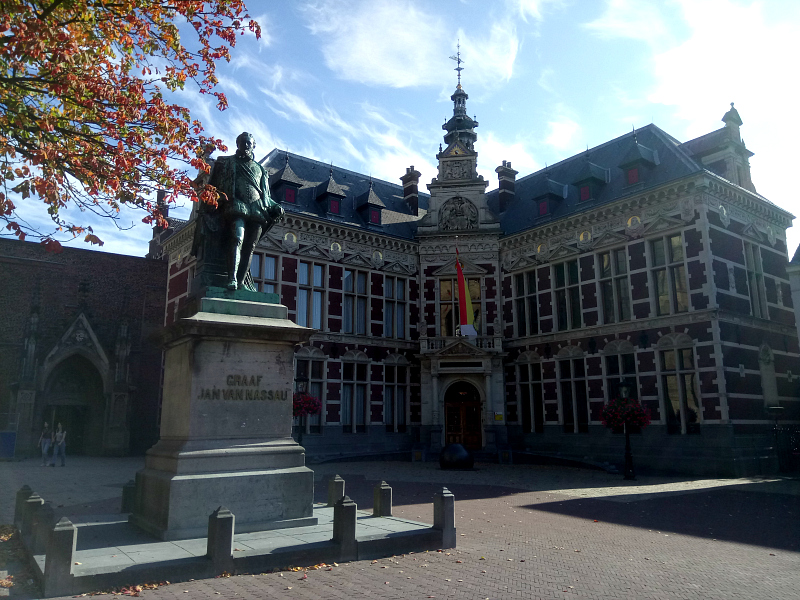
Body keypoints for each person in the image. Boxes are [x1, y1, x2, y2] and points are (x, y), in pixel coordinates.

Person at [207, 132, 284, 290]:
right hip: (237, 206)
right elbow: (214, 188)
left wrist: (276, 206)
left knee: (250, 247)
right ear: (238, 144)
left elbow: (266, 196)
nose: (246, 145)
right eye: (243, 142)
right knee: (237, 238)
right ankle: (232, 279)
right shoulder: (226, 162)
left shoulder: (261, 170)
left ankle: (241, 282)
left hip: (257, 209)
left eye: (249, 143)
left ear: (253, 146)